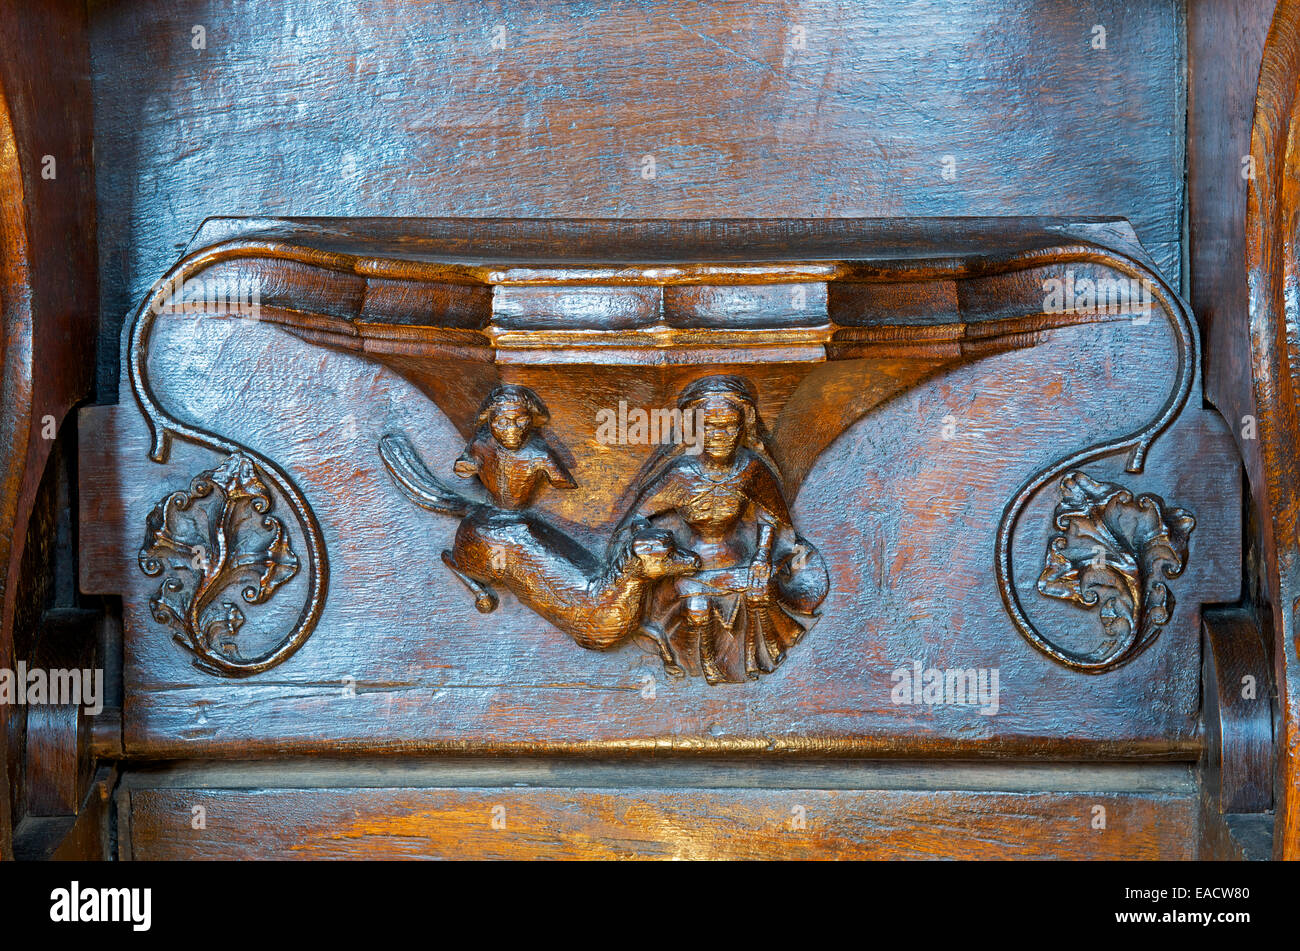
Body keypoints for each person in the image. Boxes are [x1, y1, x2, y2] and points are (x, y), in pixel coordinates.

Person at [613, 375, 826, 683]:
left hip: (739, 560)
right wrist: (655, 547)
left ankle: (755, 659)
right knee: (696, 607)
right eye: (710, 426)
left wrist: (763, 555)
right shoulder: (682, 475)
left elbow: (771, 516)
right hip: (691, 564)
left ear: (743, 427)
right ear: (695, 429)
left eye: (729, 425)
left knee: (759, 592)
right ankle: (706, 662)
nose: (720, 435)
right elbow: (636, 520)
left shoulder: (750, 469)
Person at [454, 384, 576, 510]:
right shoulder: (480, 444)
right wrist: (468, 465)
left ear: (532, 420)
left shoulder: (539, 455)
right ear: (489, 422)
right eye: (502, 422)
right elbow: (465, 465)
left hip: (521, 513)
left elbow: (562, 481)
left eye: (521, 420)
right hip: (491, 507)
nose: (512, 428)